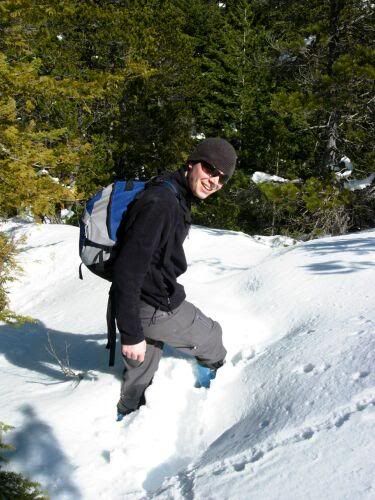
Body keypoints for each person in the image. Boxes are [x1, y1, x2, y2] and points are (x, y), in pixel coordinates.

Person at [112, 137, 237, 419]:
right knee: (212, 338)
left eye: (221, 177)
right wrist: (131, 333)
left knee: (141, 366)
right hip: (155, 306)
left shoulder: (169, 191)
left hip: (141, 302)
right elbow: (127, 270)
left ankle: (127, 415)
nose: (214, 180)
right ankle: (211, 394)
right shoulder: (162, 203)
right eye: (209, 169)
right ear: (191, 163)